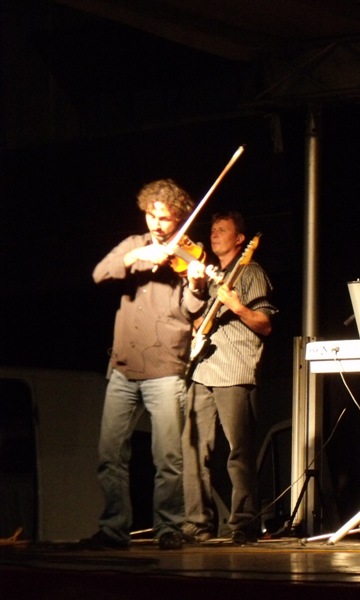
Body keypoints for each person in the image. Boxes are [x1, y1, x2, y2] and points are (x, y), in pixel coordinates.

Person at [84, 179, 207, 550]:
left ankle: (169, 528)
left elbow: (192, 309)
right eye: (152, 216)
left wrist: (197, 285)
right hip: (123, 366)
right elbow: (99, 274)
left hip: (165, 368)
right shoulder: (134, 245)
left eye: (165, 218)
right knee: (110, 455)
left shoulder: (191, 255)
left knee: (167, 458)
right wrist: (136, 257)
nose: (157, 225)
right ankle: (113, 529)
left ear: (179, 219)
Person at [181, 211, 276, 545]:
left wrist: (237, 306)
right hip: (202, 369)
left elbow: (265, 324)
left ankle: (244, 523)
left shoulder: (251, 272)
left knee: (239, 452)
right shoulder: (208, 274)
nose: (214, 234)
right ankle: (197, 523)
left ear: (240, 239)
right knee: (193, 450)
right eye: (212, 229)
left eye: (222, 229)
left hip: (236, 370)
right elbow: (195, 319)